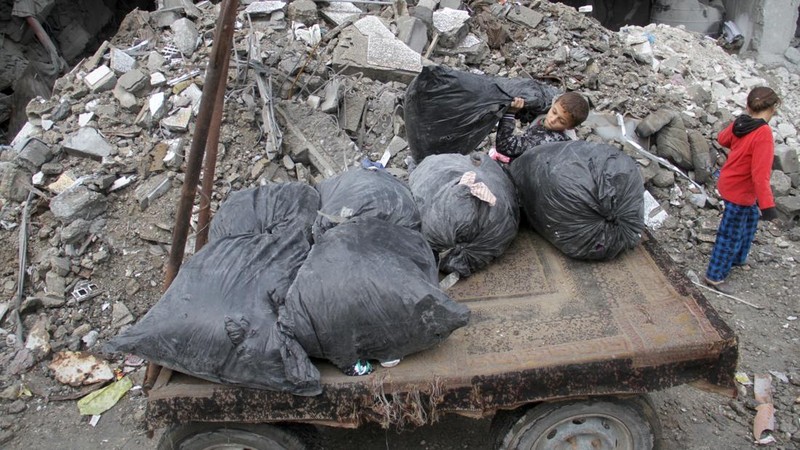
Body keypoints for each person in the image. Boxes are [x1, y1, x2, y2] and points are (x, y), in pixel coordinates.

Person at [704, 86, 781, 294]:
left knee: (749, 220)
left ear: (748, 106)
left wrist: (738, 123)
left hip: (730, 182)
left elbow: (722, 139)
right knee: (730, 232)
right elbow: (760, 175)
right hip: (741, 190)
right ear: (773, 108)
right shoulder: (763, 133)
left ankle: (738, 258)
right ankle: (715, 275)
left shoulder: (741, 123)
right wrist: (769, 207)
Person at [490, 91, 590, 163]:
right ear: (553, 104)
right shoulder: (547, 115)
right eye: (554, 112)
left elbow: (505, 146)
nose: (552, 119)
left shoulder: (547, 141)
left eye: (561, 121)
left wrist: (509, 114)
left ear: (570, 127)